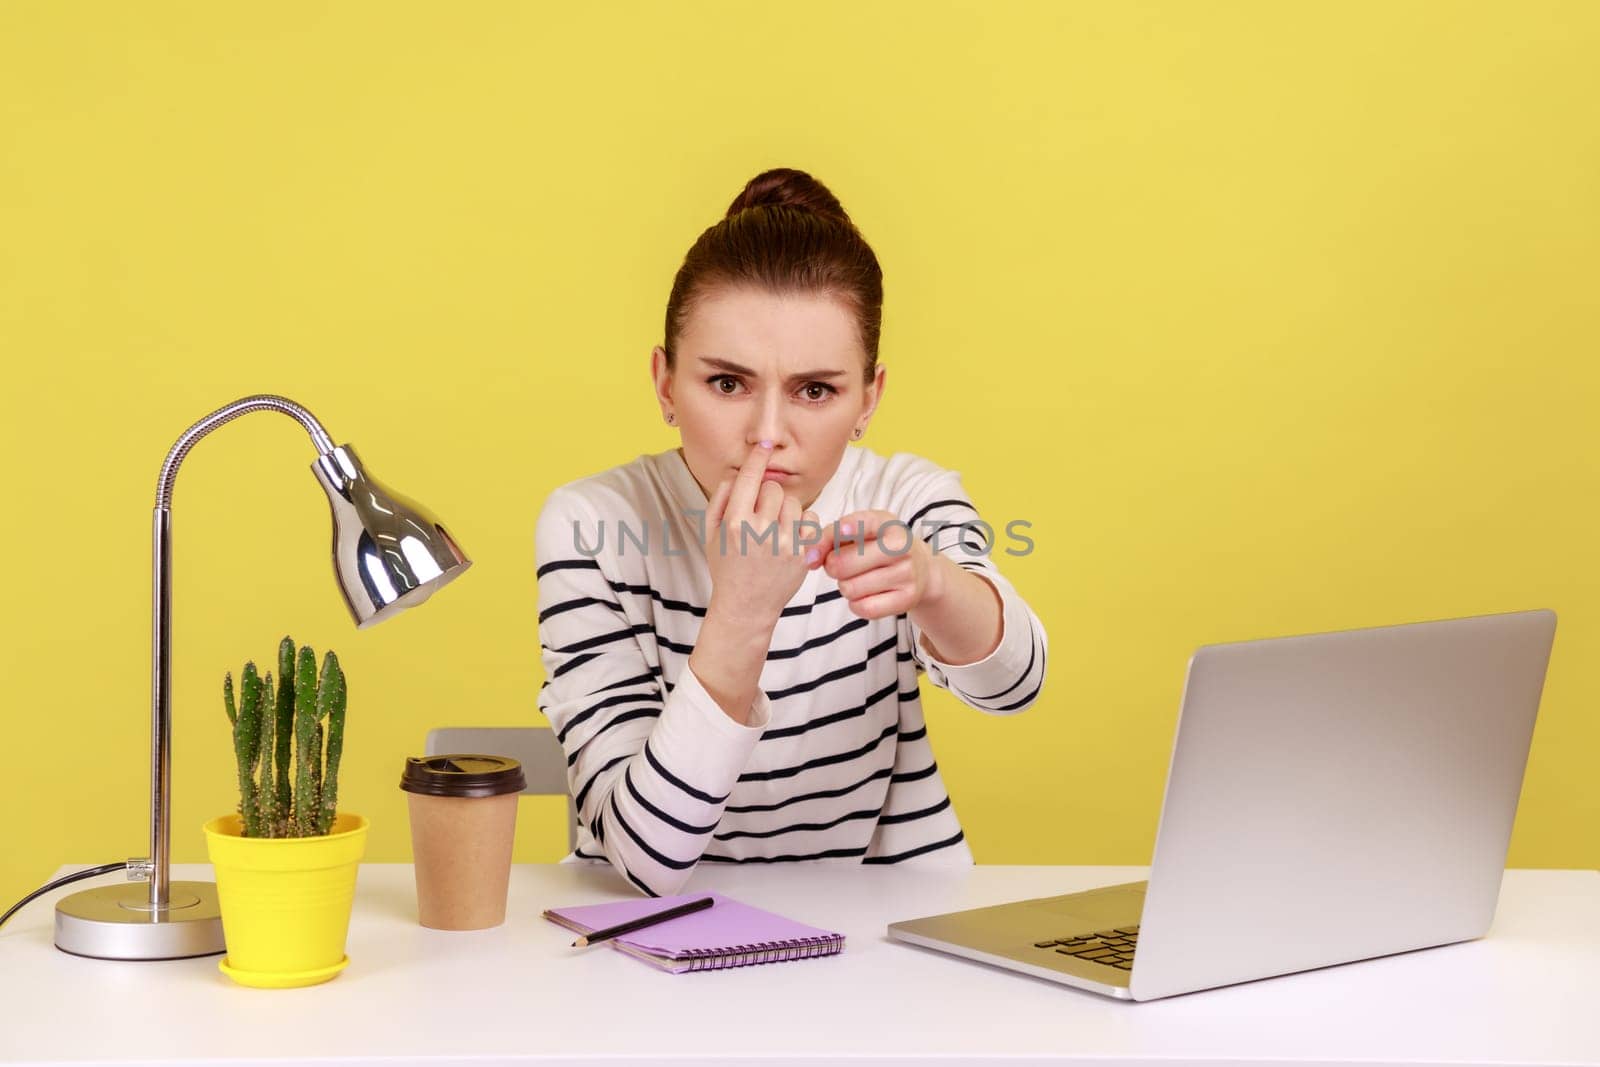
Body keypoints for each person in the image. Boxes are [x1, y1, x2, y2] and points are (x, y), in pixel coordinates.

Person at [534, 167, 1048, 897]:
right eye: (727, 383)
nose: (768, 436)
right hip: (648, 927)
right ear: (664, 384)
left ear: (868, 399)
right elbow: (647, 859)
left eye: (815, 391)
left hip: (884, 918)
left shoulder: (903, 495)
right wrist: (742, 609)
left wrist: (934, 584)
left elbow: (1015, 684)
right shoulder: (592, 524)